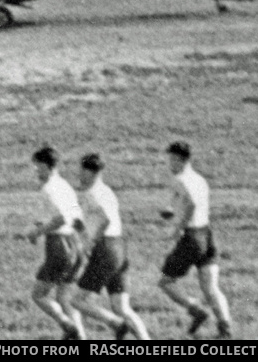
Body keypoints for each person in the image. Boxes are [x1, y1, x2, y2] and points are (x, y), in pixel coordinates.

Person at [158, 142, 232, 339]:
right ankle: (225, 330)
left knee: (166, 282)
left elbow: (190, 203)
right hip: (207, 234)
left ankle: (196, 310)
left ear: (180, 160)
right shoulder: (200, 179)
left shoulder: (179, 179)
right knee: (211, 287)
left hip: (192, 236)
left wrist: (178, 228)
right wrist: (172, 210)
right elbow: (189, 202)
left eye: (171, 160)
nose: (169, 164)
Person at [72, 153, 150, 340]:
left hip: (105, 247)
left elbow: (105, 220)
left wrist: (91, 241)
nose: (79, 175)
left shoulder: (92, 193)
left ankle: (115, 324)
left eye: (81, 171)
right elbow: (95, 220)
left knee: (77, 300)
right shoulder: (106, 191)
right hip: (119, 247)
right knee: (122, 306)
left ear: (90, 172)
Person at [20, 146, 86, 340]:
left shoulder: (49, 188)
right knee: (64, 299)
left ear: (46, 166)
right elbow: (77, 218)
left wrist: (38, 232)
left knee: (38, 295)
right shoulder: (65, 186)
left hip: (59, 245)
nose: (35, 170)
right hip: (75, 244)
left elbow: (60, 219)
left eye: (37, 166)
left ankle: (67, 325)